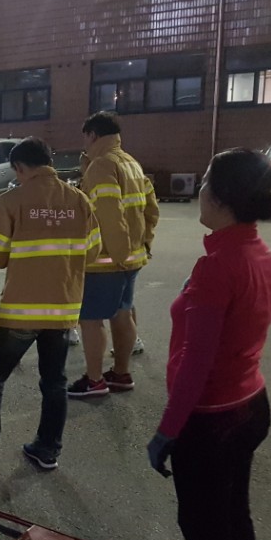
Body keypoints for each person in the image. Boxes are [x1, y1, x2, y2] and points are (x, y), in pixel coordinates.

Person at [146, 149, 271, 540]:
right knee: (232, 520)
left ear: (221, 198)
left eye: (205, 182)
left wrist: (168, 430)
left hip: (213, 422)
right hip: (250, 405)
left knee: (206, 531)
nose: (199, 190)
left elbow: (197, 364)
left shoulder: (218, 266)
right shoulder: (257, 252)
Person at [0, 138, 100, 470]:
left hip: (20, 312)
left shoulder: (10, 201)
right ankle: (47, 449)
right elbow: (93, 252)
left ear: (19, 167)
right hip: (63, 310)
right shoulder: (79, 200)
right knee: (54, 381)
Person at [68, 111, 158, 398]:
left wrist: (118, 254)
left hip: (106, 260)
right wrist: (142, 245)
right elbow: (151, 209)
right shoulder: (131, 163)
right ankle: (121, 373)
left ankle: (94, 380)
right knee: (122, 313)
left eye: (85, 138)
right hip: (131, 258)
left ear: (92, 135)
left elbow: (109, 213)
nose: (84, 144)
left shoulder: (102, 165)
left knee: (91, 319)